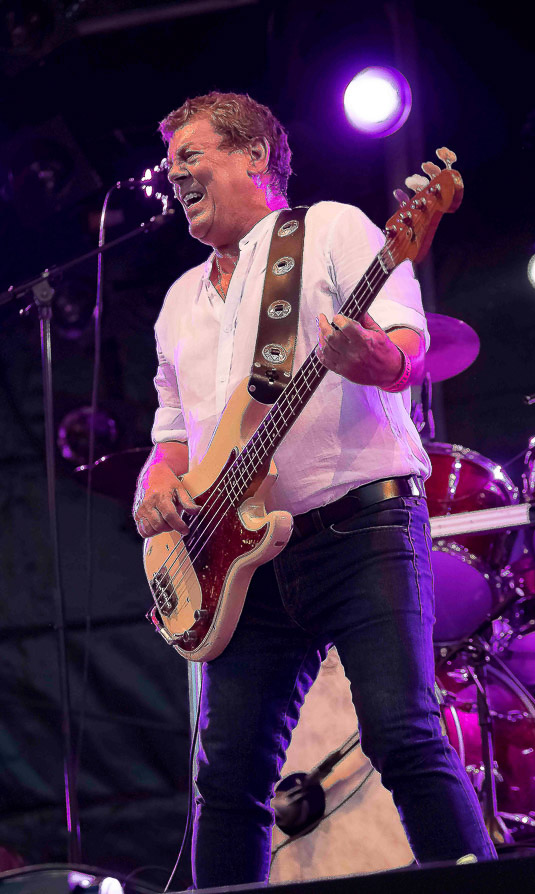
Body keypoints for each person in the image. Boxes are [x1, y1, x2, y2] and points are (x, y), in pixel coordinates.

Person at [132, 91, 496, 888]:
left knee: (402, 732)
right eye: (170, 163)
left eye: (191, 156)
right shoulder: (178, 302)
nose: (175, 174)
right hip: (242, 563)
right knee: (228, 782)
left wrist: (376, 358)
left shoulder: (331, 228)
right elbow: (172, 434)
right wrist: (154, 489)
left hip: (359, 528)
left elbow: (406, 344)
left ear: (254, 155)